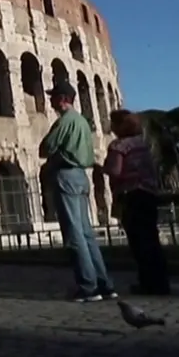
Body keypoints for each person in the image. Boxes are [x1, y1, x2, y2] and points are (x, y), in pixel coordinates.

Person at [41, 79, 117, 302]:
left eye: (53, 96)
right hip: (82, 176)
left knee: (74, 235)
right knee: (86, 234)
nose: (51, 100)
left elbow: (45, 147)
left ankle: (88, 287)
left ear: (63, 99)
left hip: (66, 175)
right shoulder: (83, 121)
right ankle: (105, 285)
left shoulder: (65, 120)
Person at [103, 110, 170, 295]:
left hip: (131, 194)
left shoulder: (119, 146)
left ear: (118, 126)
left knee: (139, 243)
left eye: (113, 123)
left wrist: (100, 167)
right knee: (152, 240)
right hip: (148, 193)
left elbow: (115, 171)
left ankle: (147, 283)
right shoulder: (142, 144)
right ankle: (161, 283)